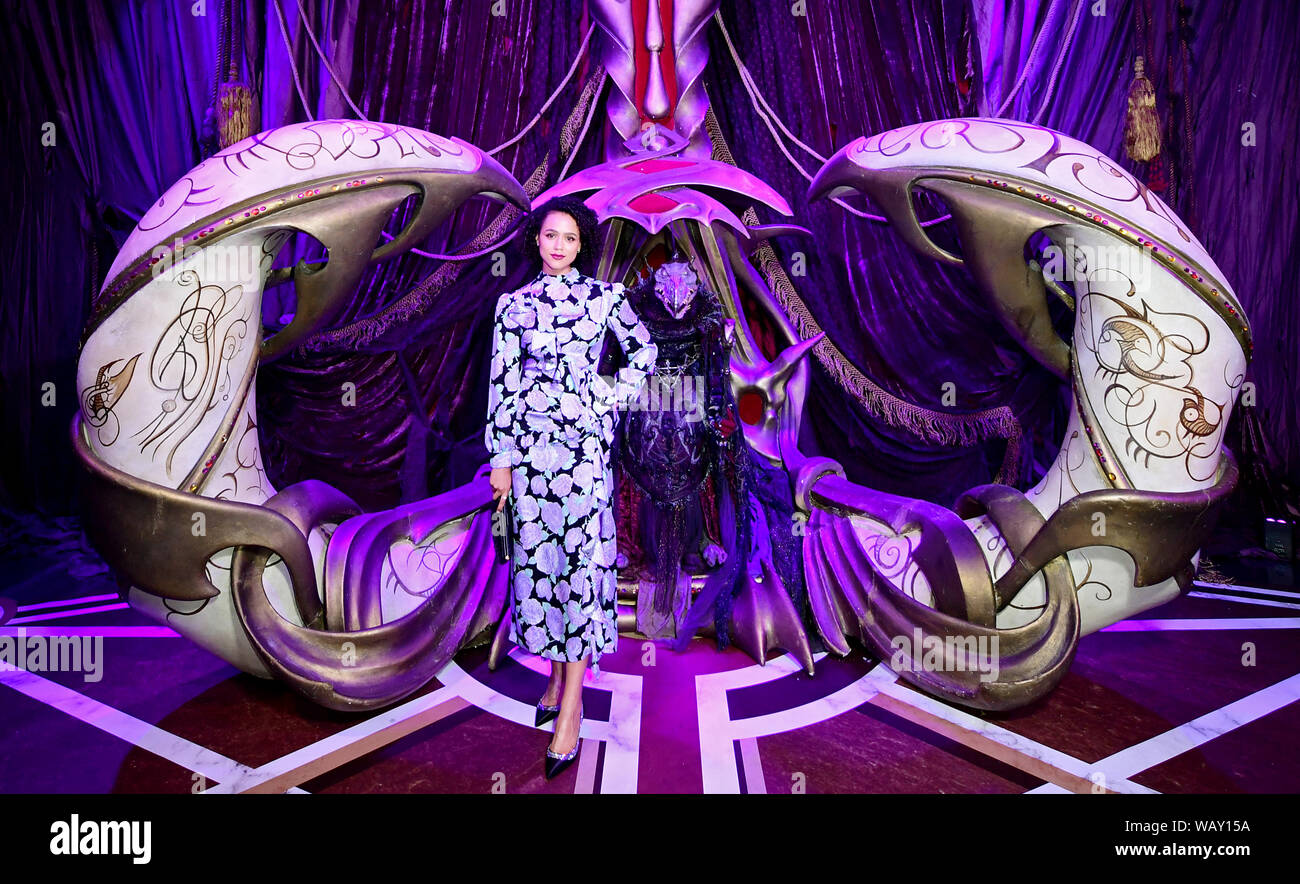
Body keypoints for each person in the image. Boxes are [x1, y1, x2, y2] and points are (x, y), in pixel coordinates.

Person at [485, 196, 657, 779]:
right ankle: (557, 679)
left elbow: (645, 353)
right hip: (532, 458)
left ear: (582, 245)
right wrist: (501, 461)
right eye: (550, 236)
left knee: (579, 570)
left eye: (570, 238)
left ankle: (574, 705)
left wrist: (604, 400)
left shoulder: (605, 299)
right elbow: (502, 385)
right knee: (540, 566)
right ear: (537, 240)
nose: (558, 246)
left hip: (583, 457)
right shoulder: (513, 306)